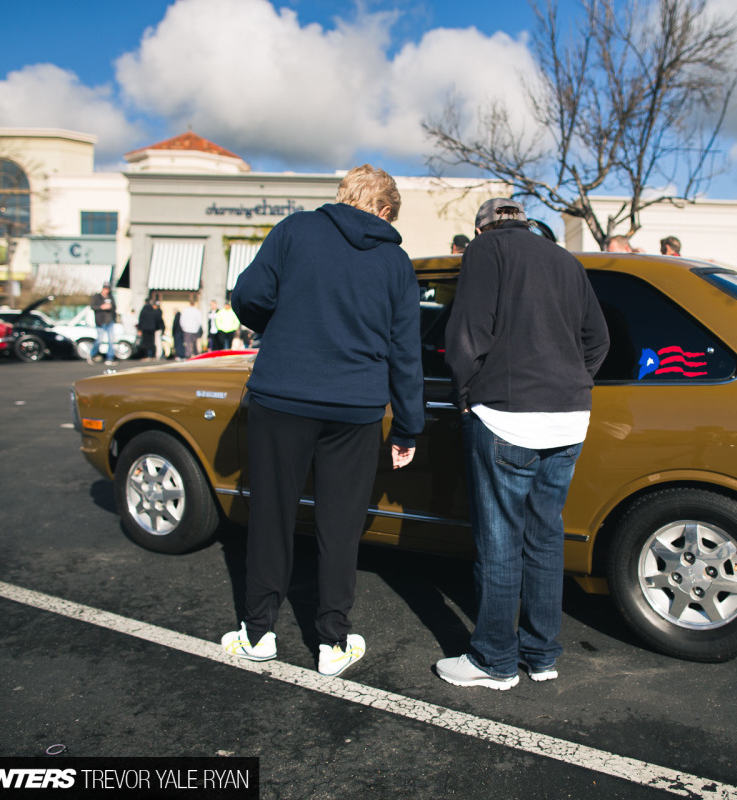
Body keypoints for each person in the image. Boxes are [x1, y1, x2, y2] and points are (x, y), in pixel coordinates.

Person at [224, 164, 423, 677]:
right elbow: (406, 351)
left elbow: (247, 297)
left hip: (282, 396)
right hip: (355, 408)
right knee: (341, 524)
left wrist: (284, 321)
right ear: (384, 209)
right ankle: (333, 642)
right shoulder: (396, 262)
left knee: (271, 514)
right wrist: (408, 426)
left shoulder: (295, 230)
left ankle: (258, 633)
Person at [436, 198, 610, 690]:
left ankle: (493, 659)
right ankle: (540, 654)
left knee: (500, 543)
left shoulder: (485, 250)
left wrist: (465, 396)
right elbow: (598, 340)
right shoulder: (564, 259)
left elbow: (466, 334)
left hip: (507, 415)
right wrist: (572, 381)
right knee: (545, 537)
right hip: (569, 418)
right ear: (526, 223)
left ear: (482, 227)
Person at [90, 283, 117, 364]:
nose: (107, 290)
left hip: (109, 321)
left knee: (111, 340)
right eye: (105, 288)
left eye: (108, 288)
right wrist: (102, 307)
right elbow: (92, 306)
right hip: (100, 321)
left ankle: (110, 358)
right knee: (99, 340)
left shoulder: (111, 297)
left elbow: (115, 307)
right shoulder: (97, 297)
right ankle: (93, 355)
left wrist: (111, 310)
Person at [137, 295, 164, 360]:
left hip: (145, 329)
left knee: (146, 342)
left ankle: (147, 355)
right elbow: (158, 320)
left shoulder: (144, 310)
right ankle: (152, 355)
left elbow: (141, 320)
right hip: (152, 329)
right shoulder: (154, 311)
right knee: (152, 343)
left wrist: (140, 329)